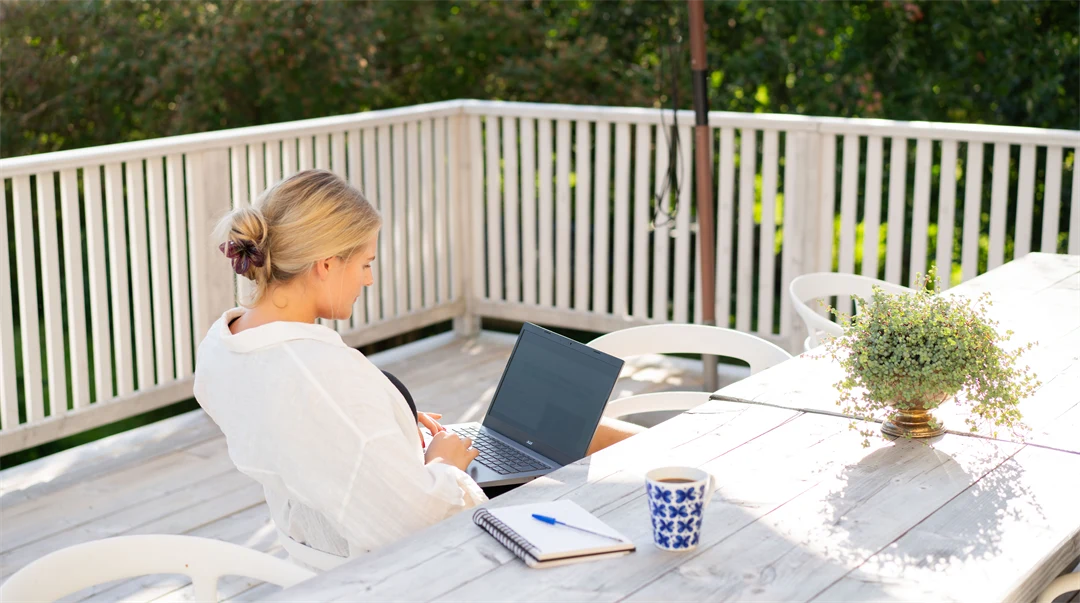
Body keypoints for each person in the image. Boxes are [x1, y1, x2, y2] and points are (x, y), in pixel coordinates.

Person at [193, 169, 641, 571]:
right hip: (398, 557)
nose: (368, 279)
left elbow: (309, 425)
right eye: (365, 263)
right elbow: (416, 521)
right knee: (586, 442)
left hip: (317, 530)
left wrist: (387, 421)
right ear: (326, 265)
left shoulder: (227, 341)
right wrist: (444, 463)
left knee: (574, 434)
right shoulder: (323, 374)